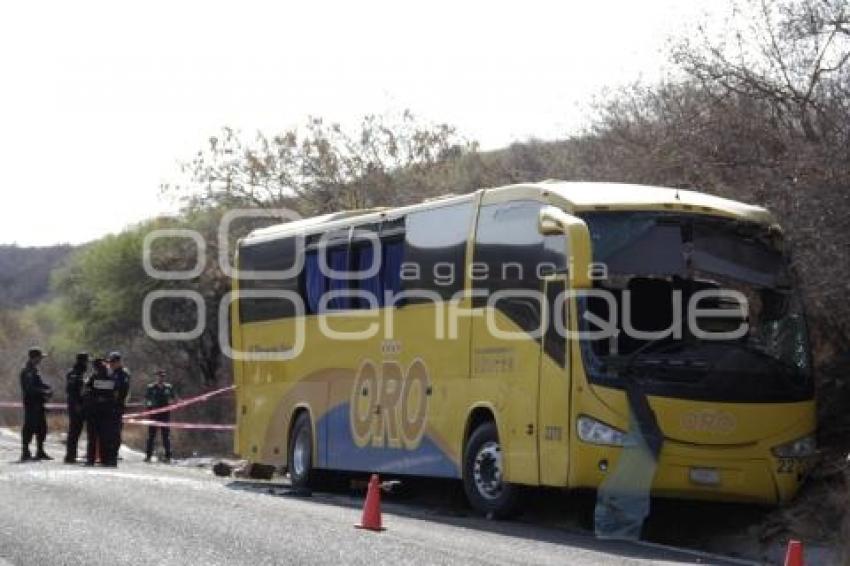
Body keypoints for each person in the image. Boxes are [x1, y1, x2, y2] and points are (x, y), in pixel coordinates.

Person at [19, 347, 53, 461]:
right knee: (29, 427)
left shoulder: (34, 370)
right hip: (31, 404)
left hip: (38, 403)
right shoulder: (27, 370)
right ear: (35, 357)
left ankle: (40, 451)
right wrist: (43, 391)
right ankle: (25, 451)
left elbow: (39, 384)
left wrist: (47, 388)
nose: (41, 360)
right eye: (39, 357)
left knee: (41, 428)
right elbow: (29, 388)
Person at [83, 358, 114, 466]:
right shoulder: (111, 378)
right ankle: (105, 460)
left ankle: (90, 460)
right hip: (106, 411)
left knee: (92, 437)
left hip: (93, 411)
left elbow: (86, 390)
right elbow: (113, 394)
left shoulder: (93, 377)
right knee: (104, 436)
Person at [144, 370, 176, 462]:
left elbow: (173, 399)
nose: (161, 378)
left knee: (166, 436)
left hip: (165, 415)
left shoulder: (168, 387)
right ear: (156, 377)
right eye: (159, 376)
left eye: (162, 376)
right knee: (151, 436)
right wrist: (150, 404)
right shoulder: (151, 387)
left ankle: (168, 457)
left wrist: (172, 402)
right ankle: (148, 456)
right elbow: (146, 400)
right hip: (154, 415)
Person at [105, 351, 130, 466]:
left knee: (115, 433)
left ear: (119, 362)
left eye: (113, 362)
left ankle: (113, 457)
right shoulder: (112, 374)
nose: (110, 364)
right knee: (108, 432)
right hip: (109, 407)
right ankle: (108, 456)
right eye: (110, 362)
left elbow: (120, 392)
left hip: (117, 407)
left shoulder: (122, 374)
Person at [64, 352, 89, 463]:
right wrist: (78, 404)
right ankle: (70, 456)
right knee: (75, 431)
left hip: (75, 404)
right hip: (77, 405)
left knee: (74, 431)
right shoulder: (77, 373)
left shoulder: (73, 372)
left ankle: (71, 455)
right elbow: (73, 391)